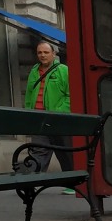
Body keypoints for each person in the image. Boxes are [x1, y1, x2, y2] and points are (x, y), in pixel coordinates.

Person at [23, 40, 72, 174]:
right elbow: (29, 94)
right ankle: (33, 181)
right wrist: (29, 113)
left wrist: (59, 112)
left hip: (57, 119)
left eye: (46, 52)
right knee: (38, 151)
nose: (42, 55)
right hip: (39, 119)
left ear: (53, 54)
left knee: (64, 152)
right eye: (40, 52)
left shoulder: (63, 70)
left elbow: (71, 95)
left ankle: (72, 182)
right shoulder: (34, 71)